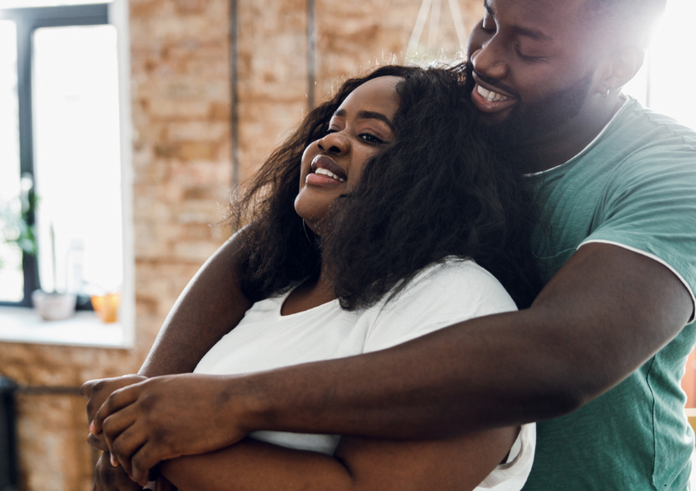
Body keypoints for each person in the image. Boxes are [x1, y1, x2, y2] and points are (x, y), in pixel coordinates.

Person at [86, 0, 696, 489]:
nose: (487, 61)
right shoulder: (465, 113)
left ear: (616, 66)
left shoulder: (685, 178)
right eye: (488, 23)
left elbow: (559, 357)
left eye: (528, 47)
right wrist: (145, 406)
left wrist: (233, 402)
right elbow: (267, 240)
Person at [86, 63, 542, 490]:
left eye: (370, 136)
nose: (331, 144)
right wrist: (139, 430)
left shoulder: (457, 297)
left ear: (436, 176)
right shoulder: (273, 292)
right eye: (332, 128)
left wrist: (143, 439)